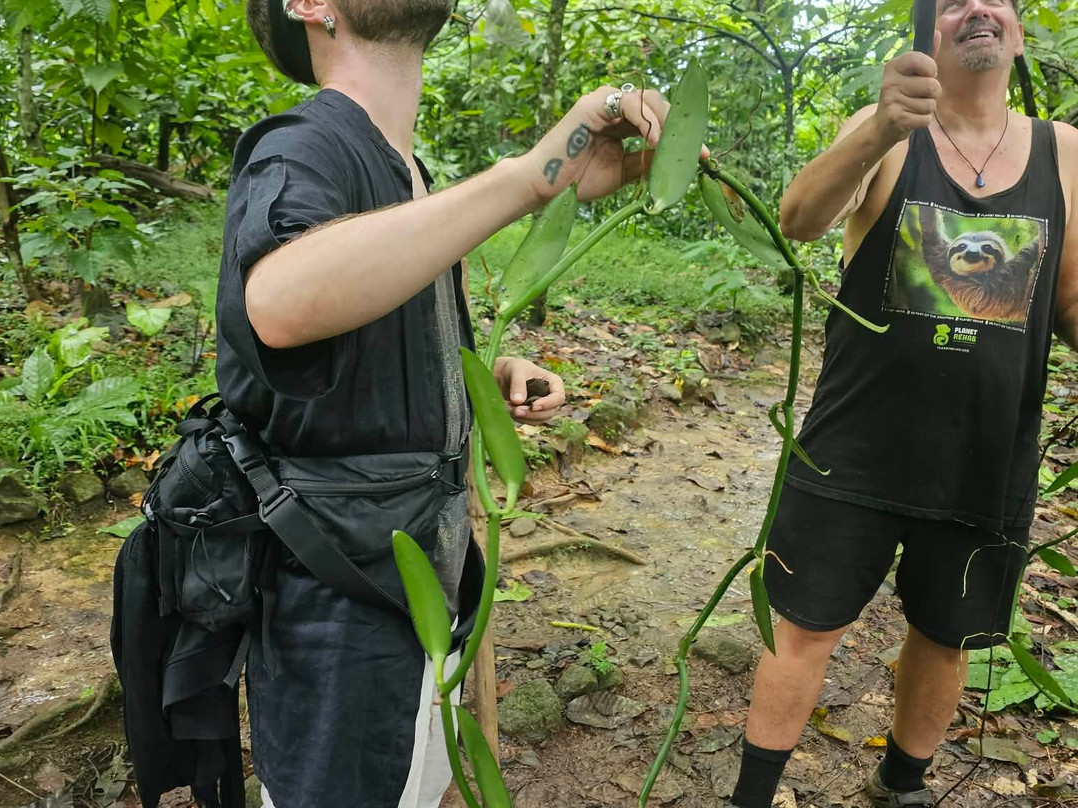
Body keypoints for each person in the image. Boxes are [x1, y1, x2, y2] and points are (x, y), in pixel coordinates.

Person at [217, 1, 679, 806]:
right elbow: (281, 302)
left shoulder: (409, 170)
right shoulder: (303, 143)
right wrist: (531, 177)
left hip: (428, 572)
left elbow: (376, 337)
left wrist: (483, 373)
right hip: (336, 591)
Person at [727, 0, 1078, 805]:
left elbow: (1067, 302)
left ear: (1018, 29)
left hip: (985, 454)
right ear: (929, 28)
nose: (977, 9)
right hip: (854, 444)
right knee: (804, 624)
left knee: (945, 634)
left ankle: (903, 781)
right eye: (954, 1)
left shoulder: (1064, 153)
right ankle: (750, 797)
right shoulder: (884, 127)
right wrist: (882, 128)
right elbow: (799, 219)